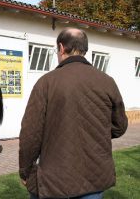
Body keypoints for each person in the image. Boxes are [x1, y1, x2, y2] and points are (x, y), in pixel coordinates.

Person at [19, 28, 128, 199]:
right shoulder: (107, 82)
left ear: (61, 48)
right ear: (84, 49)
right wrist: (95, 133)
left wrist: (25, 170)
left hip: (54, 178)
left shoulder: (46, 82)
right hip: (93, 176)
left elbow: (30, 133)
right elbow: (120, 126)